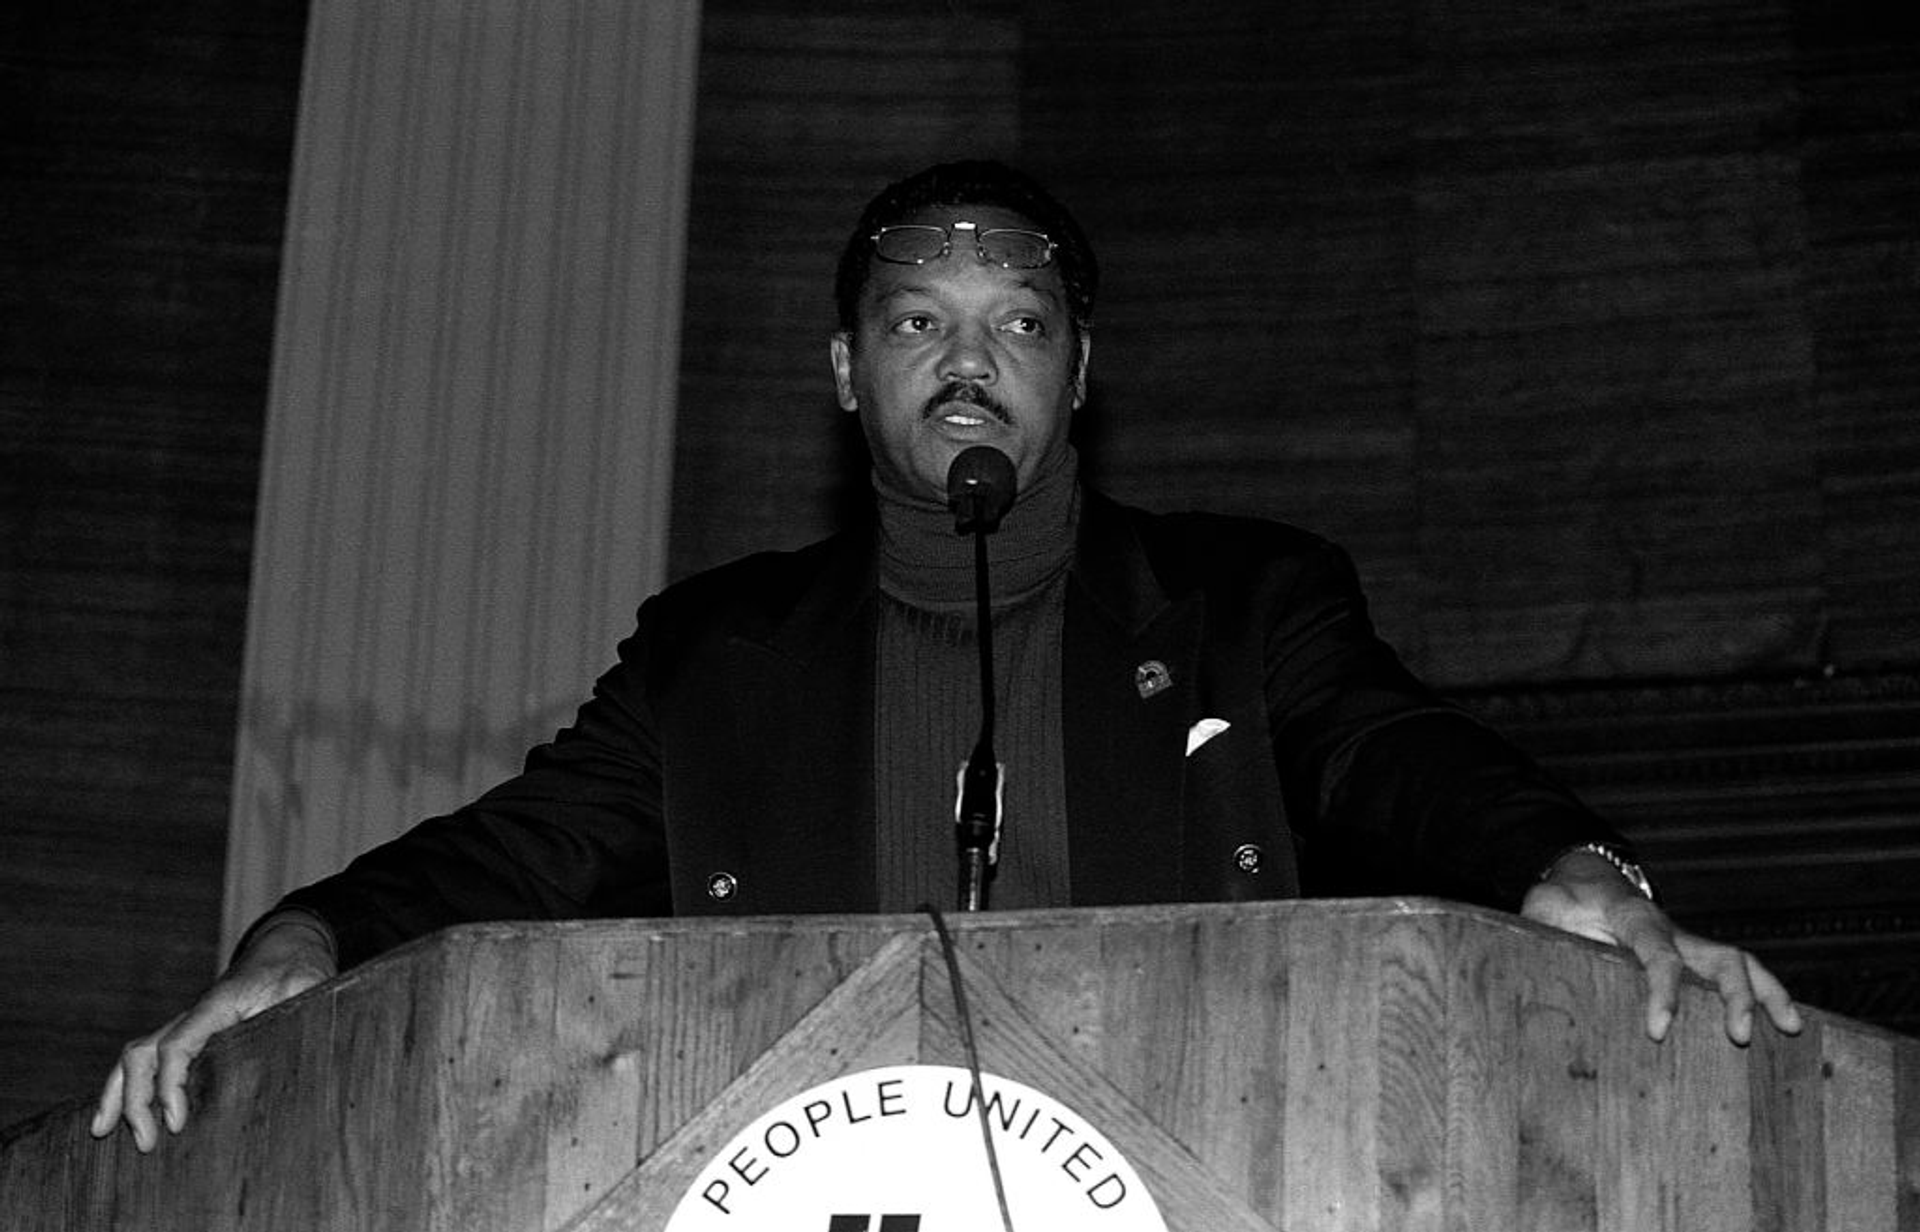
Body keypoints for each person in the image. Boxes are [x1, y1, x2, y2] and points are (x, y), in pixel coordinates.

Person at [94, 159, 1801, 1153]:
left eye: (1018, 326)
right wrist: (301, 947)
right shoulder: (715, 654)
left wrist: (1573, 869)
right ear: (848, 370)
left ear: (1080, 372)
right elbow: (515, 856)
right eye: (920, 321)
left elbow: (1386, 753)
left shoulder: (1241, 600)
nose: (968, 361)